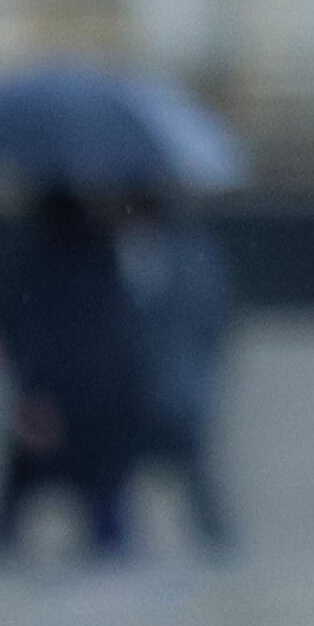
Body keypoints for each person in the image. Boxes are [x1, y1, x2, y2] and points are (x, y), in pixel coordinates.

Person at [0, 188, 147, 561]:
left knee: (15, 498)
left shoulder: (36, 263)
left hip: (52, 400)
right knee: (104, 504)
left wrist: (35, 392)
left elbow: (28, 330)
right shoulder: (103, 259)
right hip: (101, 402)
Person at [118, 194, 233, 556]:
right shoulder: (190, 254)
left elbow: (209, 323)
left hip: (175, 392)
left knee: (195, 483)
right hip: (143, 393)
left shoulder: (189, 256)